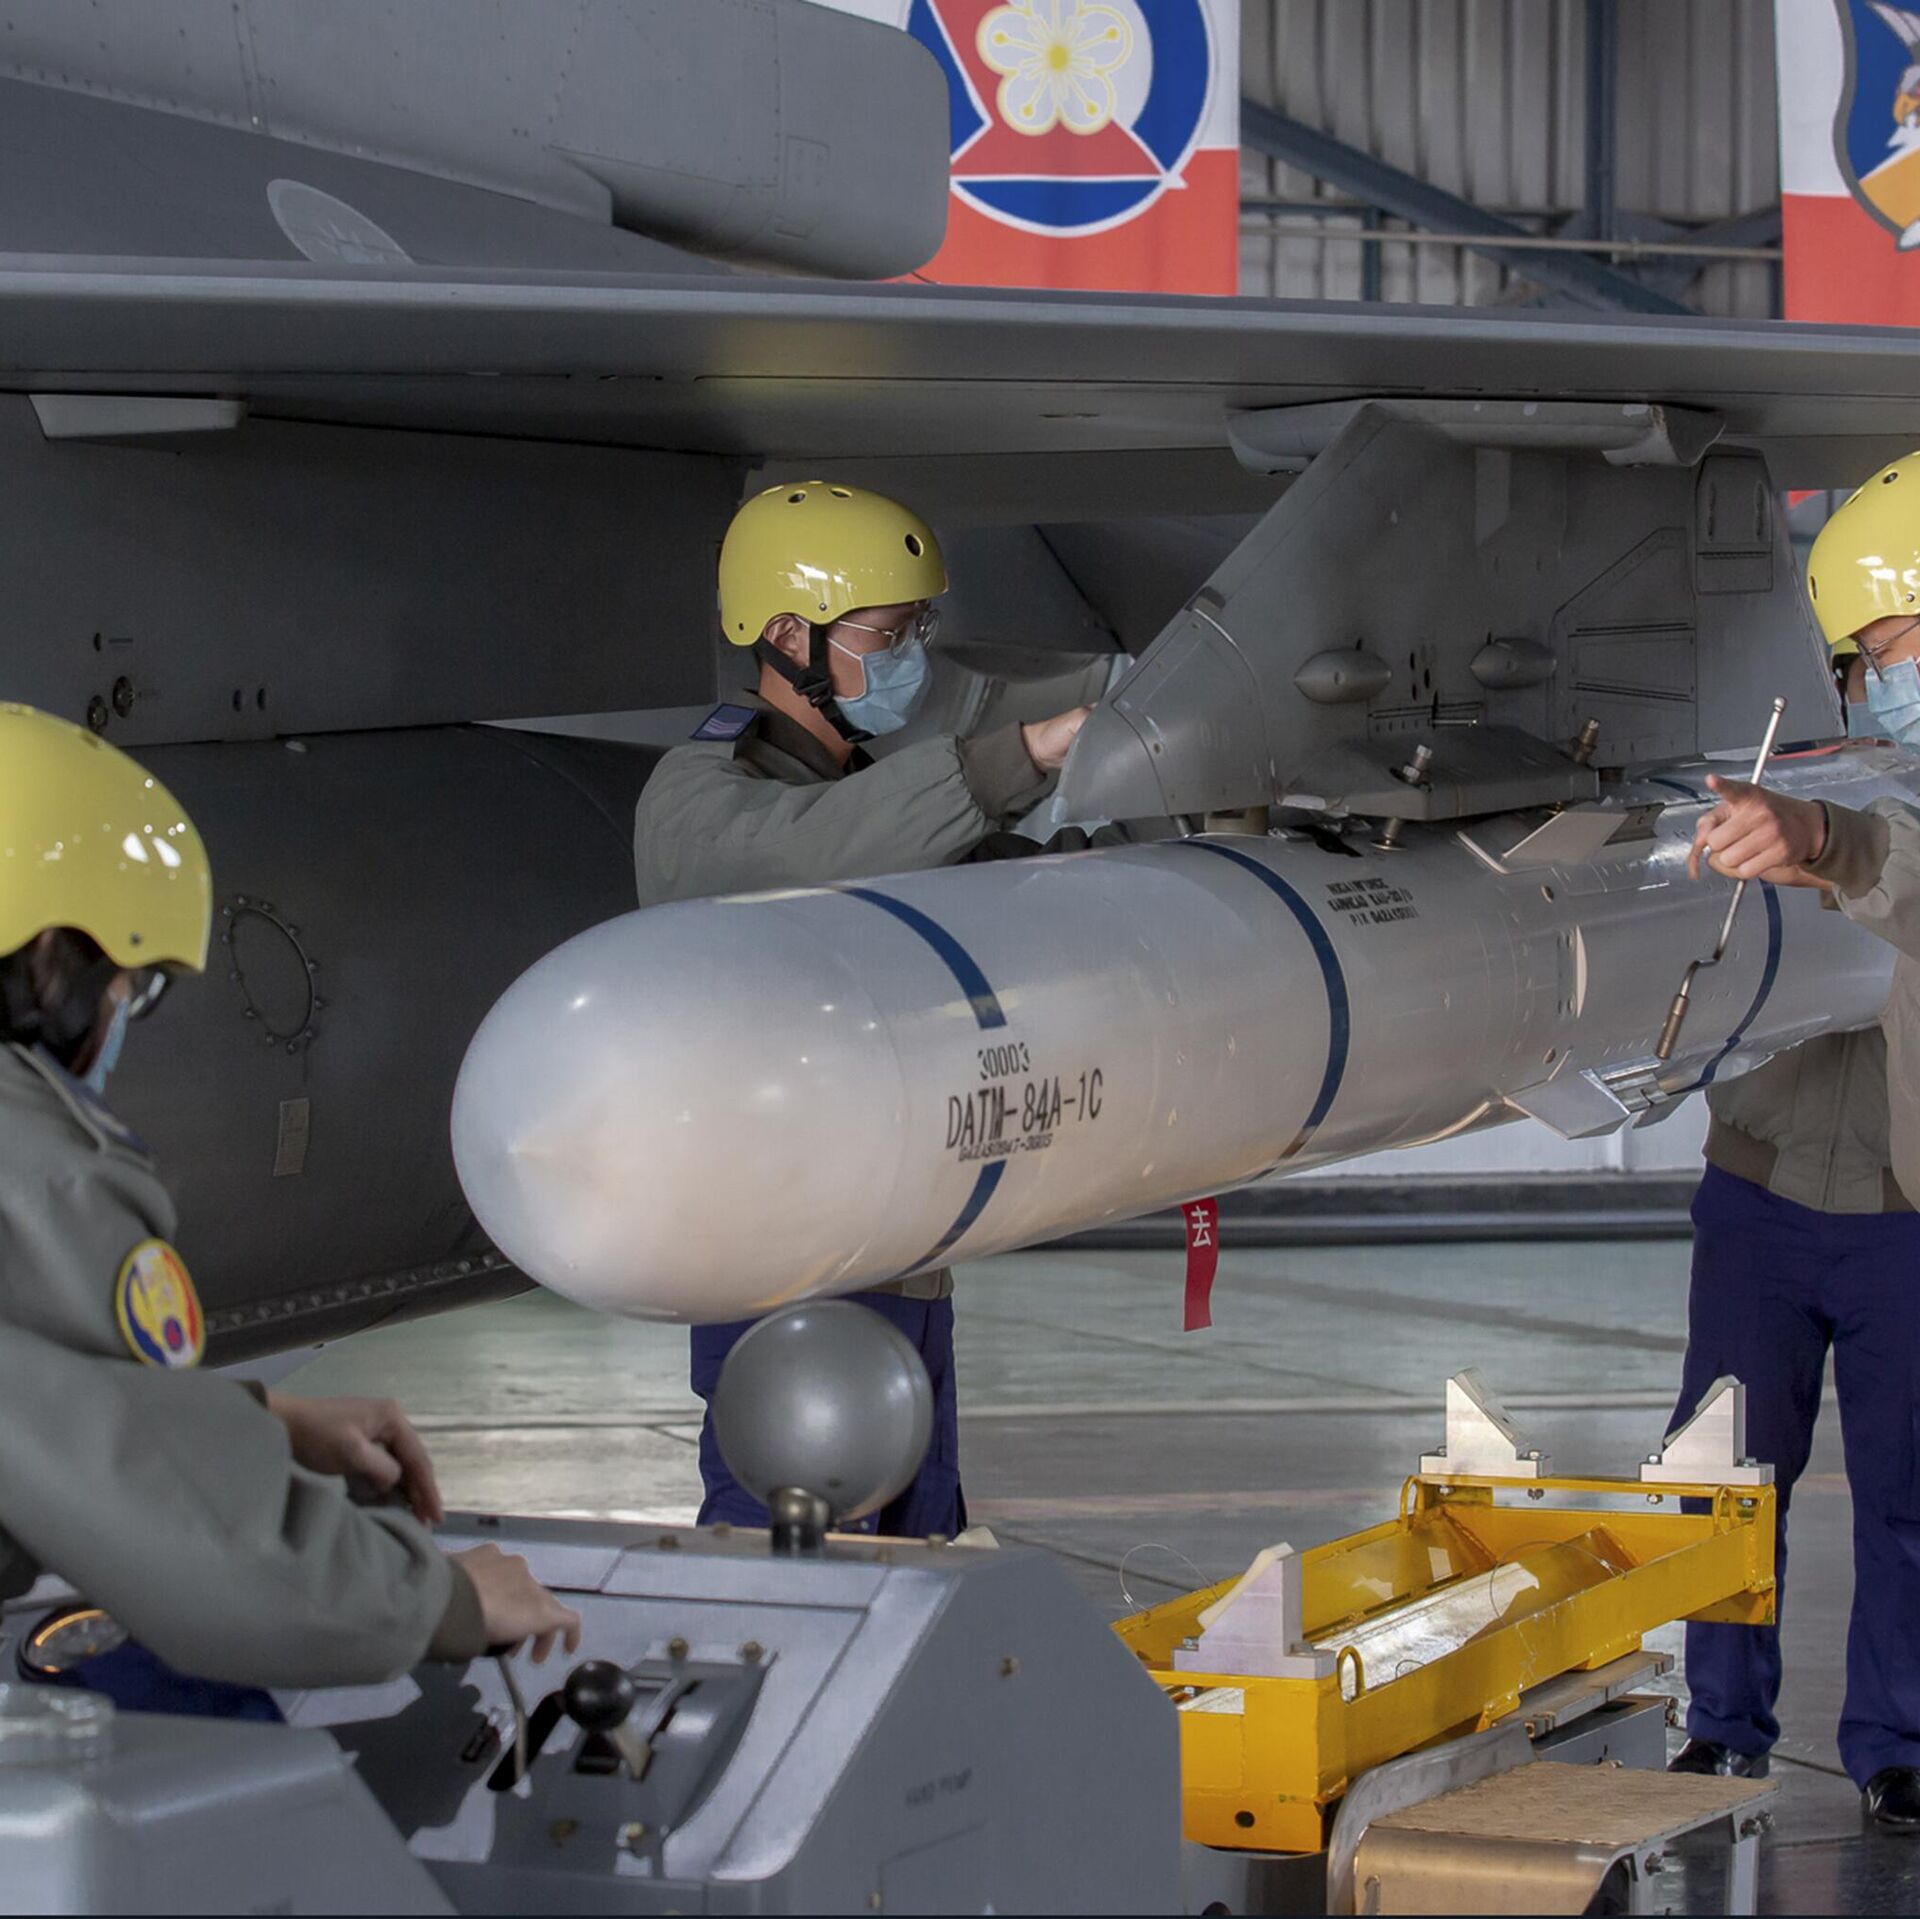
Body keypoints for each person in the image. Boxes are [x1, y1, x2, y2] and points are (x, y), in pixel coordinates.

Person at [0, 703, 582, 1707]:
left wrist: (255, 1422)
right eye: (129, 986)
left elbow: (40, 1404)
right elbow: (215, 1564)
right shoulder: (41, 1179)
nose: (120, 1013)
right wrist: (440, 1598)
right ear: (53, 963)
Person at [633, 481, 1119, 1536]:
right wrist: (1027, 752)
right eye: (888, 636)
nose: (910, 660)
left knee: (916, 1549)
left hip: (899, 1254)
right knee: (787, 1553)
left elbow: (992, 896)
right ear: (785, 636)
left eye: (915, 633)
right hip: (785, 1270)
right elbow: (795, 853)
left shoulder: (872, 793)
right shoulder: (701, 796)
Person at [1668, 453, 1920, 1831]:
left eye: (1899, 645)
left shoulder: (1843, 815)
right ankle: (1720, 1726)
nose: (1886, 679)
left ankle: (1902, 1744)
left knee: (1910, 1495)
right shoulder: (1788, 766)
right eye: (1870, 657)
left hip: (1905, 1208)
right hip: (1759, 1192)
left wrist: (1825, 839)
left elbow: (1898, 864)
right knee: (1726, 1475)